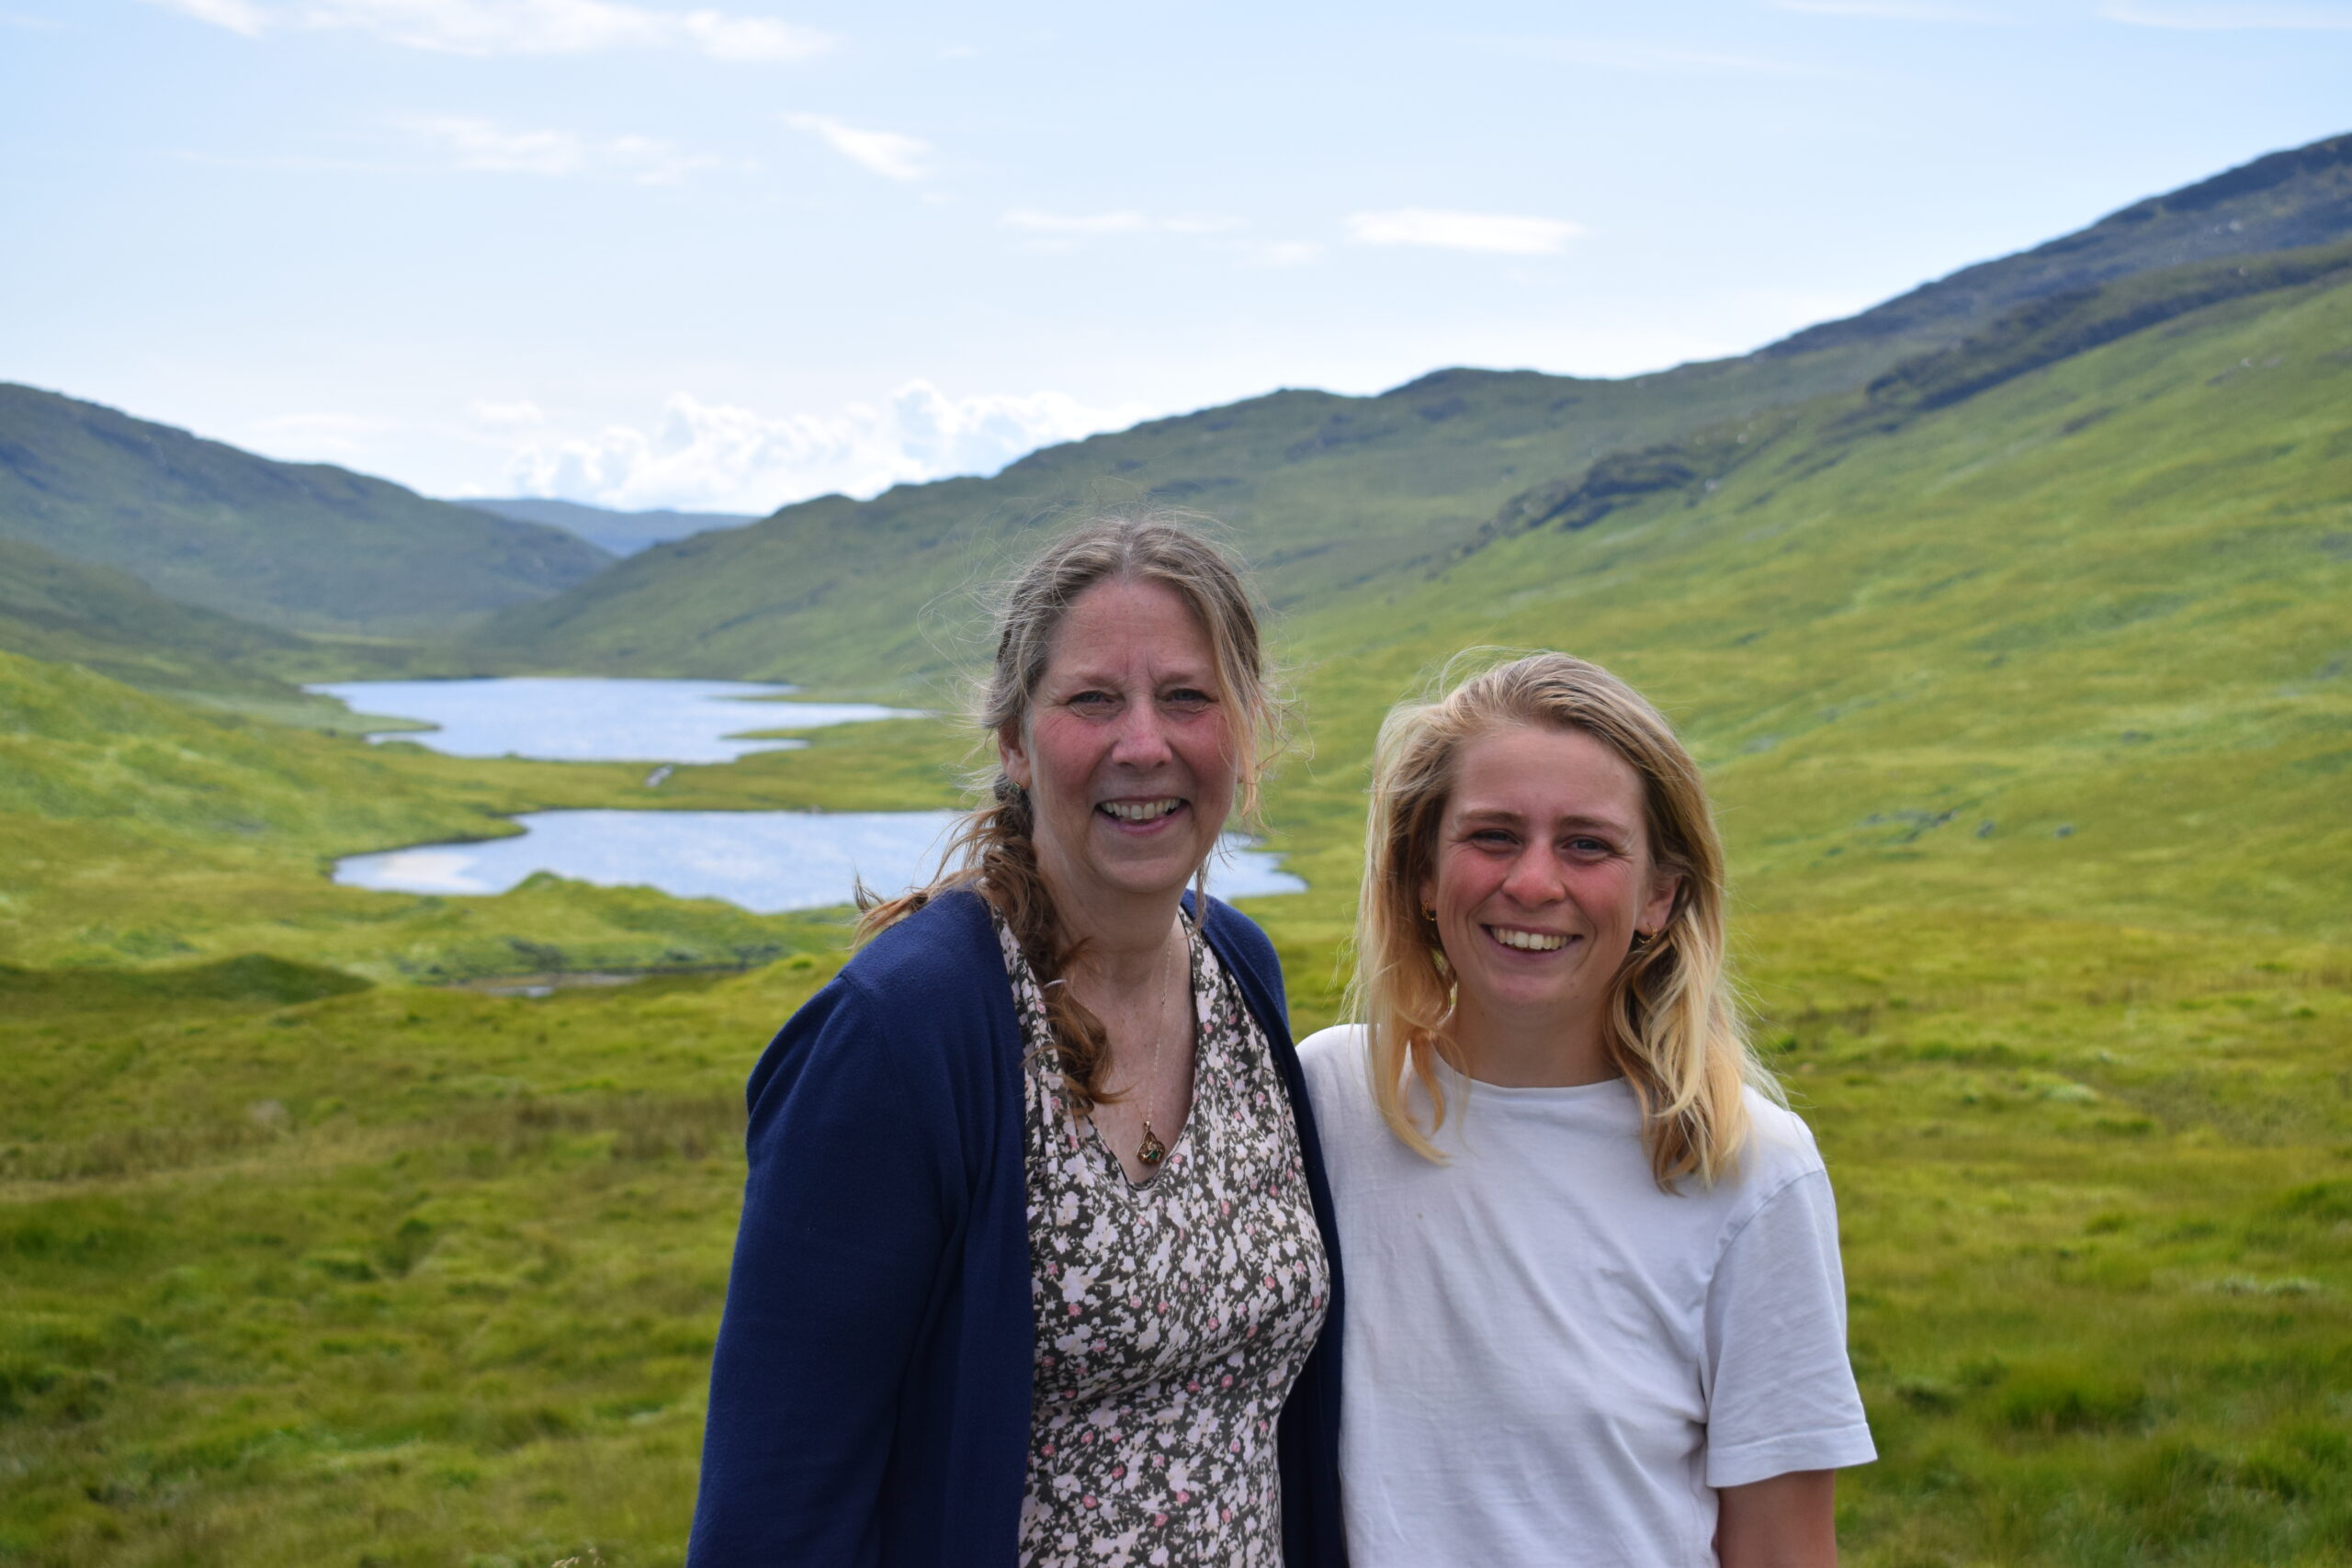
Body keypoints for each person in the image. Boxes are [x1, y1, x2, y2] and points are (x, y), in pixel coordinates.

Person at [688, 516, 1346, 1568]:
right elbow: (776, 1503)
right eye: (1092, 700)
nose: (1144, 743)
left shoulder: (1243, 975)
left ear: (1245, 729)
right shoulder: (906, 1030)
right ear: (1012, 739)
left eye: (1187, 696)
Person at [1297, 651, 1874, 1568]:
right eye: (1491, 836)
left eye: (1587, 844)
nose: (1532, 883)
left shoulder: (1751, 1170)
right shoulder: (1326, 1101)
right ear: (1418, 872)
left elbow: (1781, 1549)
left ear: (1659, 895)